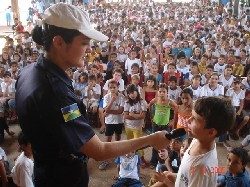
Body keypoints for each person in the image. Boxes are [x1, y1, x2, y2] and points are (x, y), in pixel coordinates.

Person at [16, 4, 171, 187]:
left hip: (45, 170)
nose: (89, 49)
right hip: (62, 179)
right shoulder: (55, 94)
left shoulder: (28, 72)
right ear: (58, 42)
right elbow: (99, 150)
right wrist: (150, 139)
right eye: (83, 42)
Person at [155, 97, 236, 187]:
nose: (188, 120)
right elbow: (187, 176)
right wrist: (173, 176)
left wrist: (166, 182)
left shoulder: (200, 167)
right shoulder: (198, 140)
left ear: (211, 132)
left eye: (195, 119)